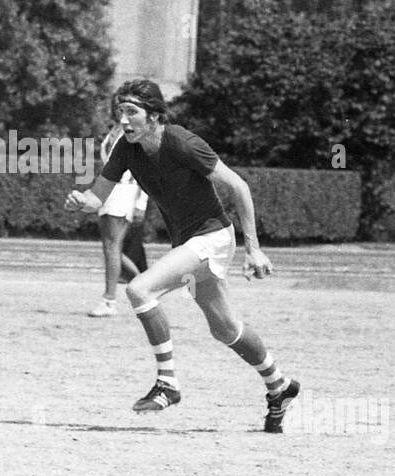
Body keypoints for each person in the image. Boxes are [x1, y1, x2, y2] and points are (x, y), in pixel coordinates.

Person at [64, 79, 300, 431]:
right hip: (190, 244)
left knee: (140, 289)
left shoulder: (181, 141)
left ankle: (168, 383)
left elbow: (239, 186)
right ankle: (279, 386)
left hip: (213, 238)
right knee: (226, 329)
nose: (124, 121)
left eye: (132, 112)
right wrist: (83, 202)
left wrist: (254, 248)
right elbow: (98, 197)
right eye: (121, 113)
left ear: (155, 115)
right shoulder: (127, 149)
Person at [88, 122, 150, 317]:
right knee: (111, 247)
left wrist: (141, 202)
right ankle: (146, 287)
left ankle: (109, 299)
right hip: (111, 188)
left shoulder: (135, 132)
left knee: (112, 246)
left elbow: (144, 168)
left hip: (124, 189)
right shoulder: (116, 130)